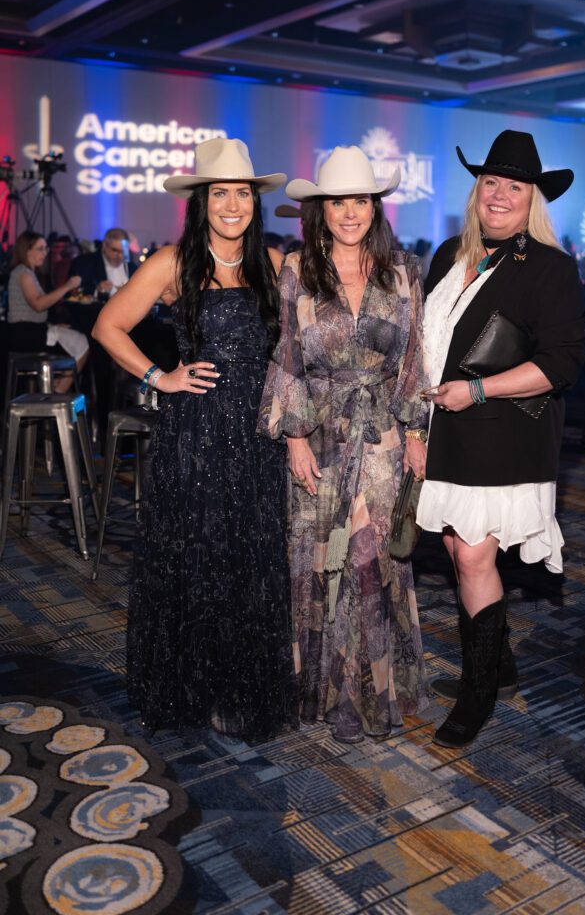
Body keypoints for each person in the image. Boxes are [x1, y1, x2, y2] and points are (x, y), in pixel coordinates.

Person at [92, 137, 298, 742]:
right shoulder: (172, 262)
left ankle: (241, 686)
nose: (232, 204)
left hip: (258, 435)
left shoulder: (276, 265)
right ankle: (193, 684)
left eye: (241, 193)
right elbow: (107, 326)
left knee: (250, 558)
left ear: (254, 202)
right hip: (198, 433)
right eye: (220, 193)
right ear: (201, 201)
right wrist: (162, 377)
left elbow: (300, 345)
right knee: (199, 556)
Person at [418, 130, 585, 748]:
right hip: (444, 431)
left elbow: (563, 363)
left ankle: (478, 689)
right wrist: (417, 426)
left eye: (514, 186)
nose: (499, 194)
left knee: (471, 557)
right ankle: (499, 663)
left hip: (503, 433)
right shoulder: (445, 256)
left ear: (532, 199)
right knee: (460, 553)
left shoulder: (549, 267)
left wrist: (482, 390)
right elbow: (427, 349)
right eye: (490, 181)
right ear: (475, 191)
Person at [258, 145, 429, 743]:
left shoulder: (404, 271)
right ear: (319, 210)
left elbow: (413, 359)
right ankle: (323, 691)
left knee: (370, 562)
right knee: (317, 563)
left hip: (381, 435)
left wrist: (414, 434)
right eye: (338, 202)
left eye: (360, 200)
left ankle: (370, 695)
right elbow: (286, 358)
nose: (350, 212)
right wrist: (295, 438)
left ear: (374, 207)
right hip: (319, 435)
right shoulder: (296, 269)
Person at [8, 231, 89, 386]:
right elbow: (38, 305)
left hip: (29, 331)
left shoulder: (28, 272)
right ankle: (57, 393)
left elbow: (33, 311)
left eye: (45, 249)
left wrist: (53, 326)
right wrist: (68, 286)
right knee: (82, 343)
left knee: (76, 340)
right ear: (26, 251)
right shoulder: (23, 273)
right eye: (40, 249)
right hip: (26, 335)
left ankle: (54, 391)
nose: (45, 253)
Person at [70, 227, 137, 297]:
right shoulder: (85, 263)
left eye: (123, 251)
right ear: (104, 245)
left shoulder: (132, 267)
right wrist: (97, 290)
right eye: (115, 250)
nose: (120, 256)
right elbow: (73, 292)